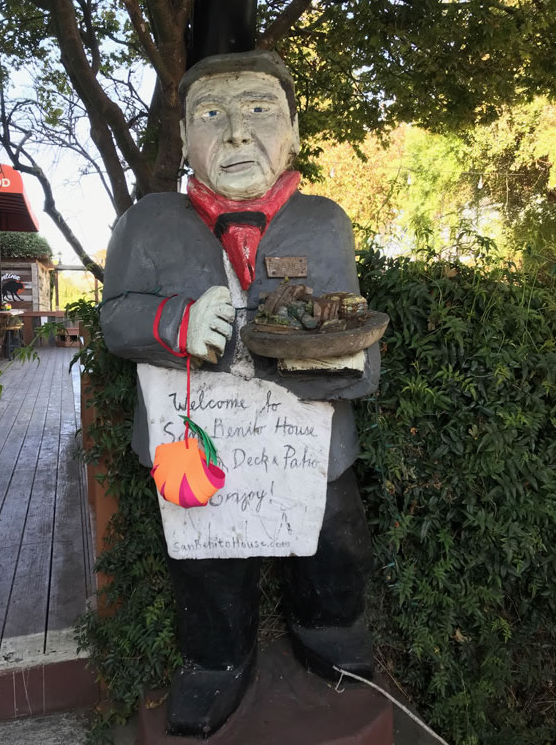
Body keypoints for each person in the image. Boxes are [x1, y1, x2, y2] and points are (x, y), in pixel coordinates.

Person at [101, 50, 379, 738]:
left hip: (308, 432)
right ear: (183, 136)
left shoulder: (324, 221)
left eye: (259, 110)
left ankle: (327, 628)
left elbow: (347, 316)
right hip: (200, 434)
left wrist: (342, 358)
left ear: (294, 129)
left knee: (334, 536)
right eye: (210, 114)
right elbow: (117, 319)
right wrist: (177, 324)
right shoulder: (147, 223)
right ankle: (217, 660)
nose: (234, 133)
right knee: (208, 554)